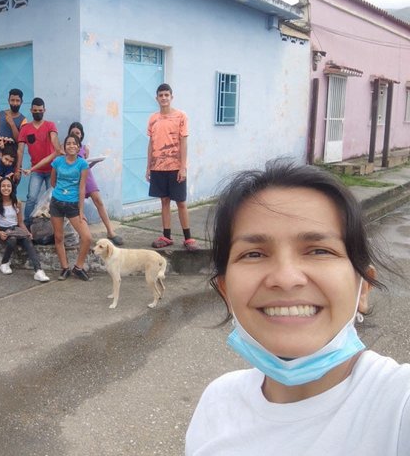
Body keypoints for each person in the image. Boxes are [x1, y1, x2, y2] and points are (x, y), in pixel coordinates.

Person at [185, 160, 410, 455]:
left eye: (319, 251)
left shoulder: (398, 405)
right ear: (226, 291)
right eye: (254, 254)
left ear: (363, 288)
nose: (286, 279)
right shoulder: (216, 402)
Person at [146, 83, 198, 252]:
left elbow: (184, 142)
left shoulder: (181, 116)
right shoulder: (153, 118)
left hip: (176, 166)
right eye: (161, 95)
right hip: (158, 167)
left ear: (171, 97)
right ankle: (166, 236)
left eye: (166, 95)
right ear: (157, 98)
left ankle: (188, 238)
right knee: (164, 201)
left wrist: (183, 167)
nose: (164, 98)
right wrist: (149, 167)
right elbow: (151, 143)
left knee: (181, 202)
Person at [68, 122, 124, 246]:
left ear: (82, 135)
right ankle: (82, 234)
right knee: (77, 207)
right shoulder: (66, 147)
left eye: (77, 133)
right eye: (73, 132)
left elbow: (86, 163)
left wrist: (93, 163)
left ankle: (110, 231)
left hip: (87, 177)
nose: (75, 135)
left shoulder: (84, 148)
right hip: (74, 180)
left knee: (98, 201)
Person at [49, 134, 93, 281]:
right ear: (64, 147)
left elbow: (82, 188)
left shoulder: (82, 164)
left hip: (73, 205)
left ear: (79, 147)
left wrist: (81, 211)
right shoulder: (57, 162)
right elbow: (53, 182)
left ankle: (78, 267)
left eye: (74, 143)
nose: (71, 146)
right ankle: (65, 268)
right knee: (59, 236)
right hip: (56, 203)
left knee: (87, 237)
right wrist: (61, 193)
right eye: (68, 143)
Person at [0, 177, 50, 282]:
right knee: (12, 239)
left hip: (16, 229)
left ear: (12, 188)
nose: (6, 188)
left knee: (27, 241)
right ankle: (4, 263)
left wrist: (27, 233)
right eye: (3, 186)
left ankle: (38, 271)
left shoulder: (17, 202)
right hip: (2, 230)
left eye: (8, 186)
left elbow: (20, 222)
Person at [16, 97, 61, 227]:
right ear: (31, 110)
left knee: (52, 199)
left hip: (52, 170)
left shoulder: (50, 125)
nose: (37, 112)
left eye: (40, 110)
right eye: (35, 110)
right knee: (31, 198)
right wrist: (17, 169)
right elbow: (20, 150)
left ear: (44, 110)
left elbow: (54, 137)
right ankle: (27, 225)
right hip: (36, 170)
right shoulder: (25, 129)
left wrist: (58, 149)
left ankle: (53, 225)